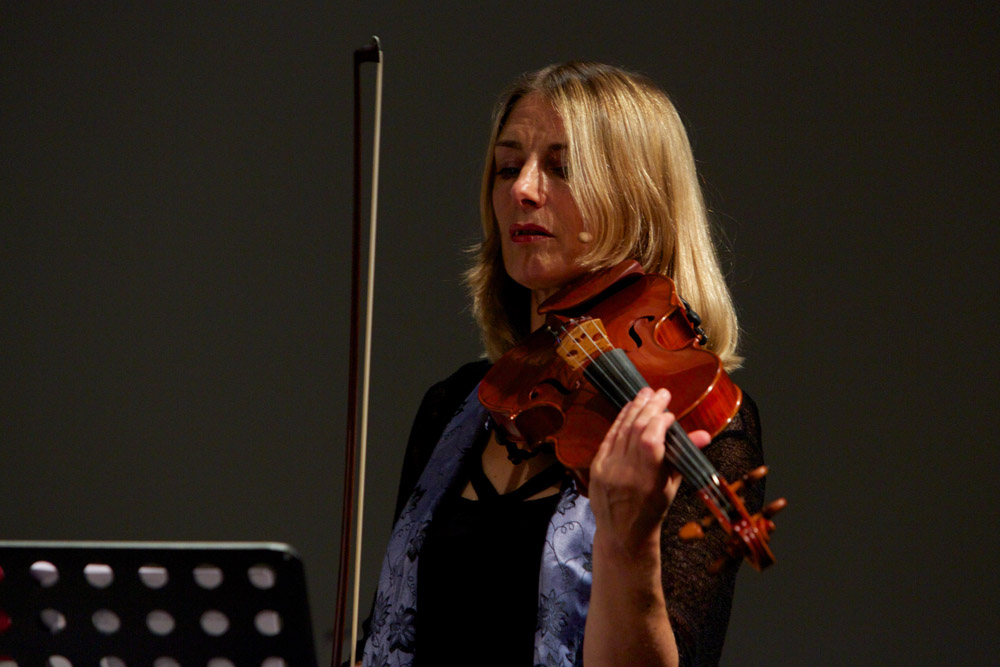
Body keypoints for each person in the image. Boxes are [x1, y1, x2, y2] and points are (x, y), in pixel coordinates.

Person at [359, 61, 764, 667]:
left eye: (561, 167)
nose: (522, 189)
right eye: (507, 166)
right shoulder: (454, 407)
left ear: (639, 201)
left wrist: (629, 541)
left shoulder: (695, 422)